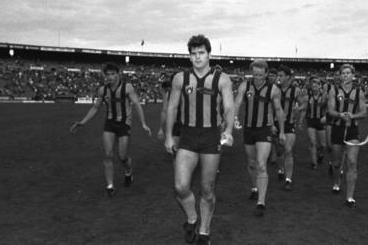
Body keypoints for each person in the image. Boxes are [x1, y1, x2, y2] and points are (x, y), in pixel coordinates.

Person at [164, 35, 235, 245]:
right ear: (189, 56)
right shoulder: (180, 78)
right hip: (187, 136)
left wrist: (229, 130)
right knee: (181, 187)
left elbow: (229, 107)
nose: (197, 57)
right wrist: (168, 135)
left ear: (209, 54)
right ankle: (192, 218)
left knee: (207, 189)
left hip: (211, 136)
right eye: (193, 54)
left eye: (201, 53)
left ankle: (204, 231)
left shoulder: (222, 78)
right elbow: (172, 107)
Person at [70, 62, 151, 196]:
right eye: (108, 74)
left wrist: (143, 123)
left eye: (113, 74)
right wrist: (83, 122)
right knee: (108, 154)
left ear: (118, 74)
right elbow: (95, 107)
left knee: (122, 157)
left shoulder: (127, 87)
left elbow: (136, 104)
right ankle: (109, 185)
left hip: (124, 124)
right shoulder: (103, 90)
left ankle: (128, 172)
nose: (110, 77)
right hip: (109, 123)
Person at [234, 59, 285, 217]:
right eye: (254, 74)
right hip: (249, 129)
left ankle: (261, 202)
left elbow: (278, 110)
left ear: (266, 73)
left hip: (264, 129)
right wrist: (234, 117)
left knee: (261, 164)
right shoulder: (245, 86)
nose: (257, 77)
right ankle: (254, 188)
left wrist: (282, 131)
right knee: (251, 163)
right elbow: (236, 103)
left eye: (260, 74)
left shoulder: (273, 89)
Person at [327, 64, 367, 208]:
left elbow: (363, 112)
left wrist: (352, 115)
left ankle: (350, 196)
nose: (345, 75)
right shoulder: (334, 90)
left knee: (351, 162)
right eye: (343, 73)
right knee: (337, 163)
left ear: (353, 75)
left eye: (348, 73)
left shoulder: (359, 92)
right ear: (340, 75)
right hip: (337, 129)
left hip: (352, 131)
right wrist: (339, 115)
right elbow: (330, 110)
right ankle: (337, 181)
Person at [275, 64, 304, 191]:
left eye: (281, 75)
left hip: (289, 123)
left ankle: (288, 180)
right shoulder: (274, 89)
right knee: (279, 151)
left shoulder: (296, 90)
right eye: (278, 75)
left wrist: (298, 109)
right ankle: (281, 169)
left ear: (288, 77)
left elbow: (304, 105)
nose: (279, 77)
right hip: (276, 124)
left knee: (288, 149)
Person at [305, 76, 327, 169]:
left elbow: (329, 108)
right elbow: (305, 108)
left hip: (321, 121)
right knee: (312, 142)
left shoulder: (324, 96)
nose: (314, 88)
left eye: (316, 86)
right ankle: (314, 163)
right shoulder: (308, 96)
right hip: (311, 121)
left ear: (319, 87)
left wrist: (326, 116)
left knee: (323, 145)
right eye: (313, 86)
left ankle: (320, 154)